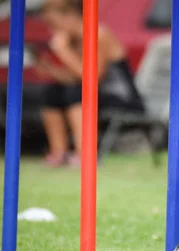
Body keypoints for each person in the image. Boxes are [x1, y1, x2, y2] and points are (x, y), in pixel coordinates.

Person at [35, 0, 145, 167]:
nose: (52, 30)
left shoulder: (98, 34)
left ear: (71, 16)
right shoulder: (74, 40)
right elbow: (76, 79)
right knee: (52, 92)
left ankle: (83, 154)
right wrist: (50, 70)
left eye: (53, 23)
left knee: (76, 93)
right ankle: (59, 153)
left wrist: (63, 51)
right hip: (96, 93)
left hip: (123, 98)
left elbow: (93, 78)